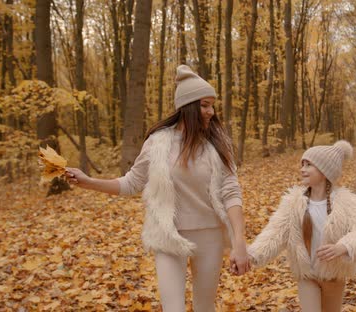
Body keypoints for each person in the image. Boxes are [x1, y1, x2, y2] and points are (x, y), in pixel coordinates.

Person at [65, 65, 249, 311]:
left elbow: (231, 192)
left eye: (212, 105)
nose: (211, 112)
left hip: (210, 235)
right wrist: (88, 182)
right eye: (205, 105)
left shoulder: (217, 143)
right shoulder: (158, 142)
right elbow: (132, 182)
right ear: (189, 106)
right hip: (167, 235)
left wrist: (239, 243)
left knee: (205, 306)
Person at [247, 141, 356, 312]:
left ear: (325, 171)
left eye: (309, 165)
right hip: (307, 275)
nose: (302, 169)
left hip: (334, 276)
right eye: (302, 164)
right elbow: (275, 233)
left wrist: (343, 246)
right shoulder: (293, 202)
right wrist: (252, 256)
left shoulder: (346, 202)